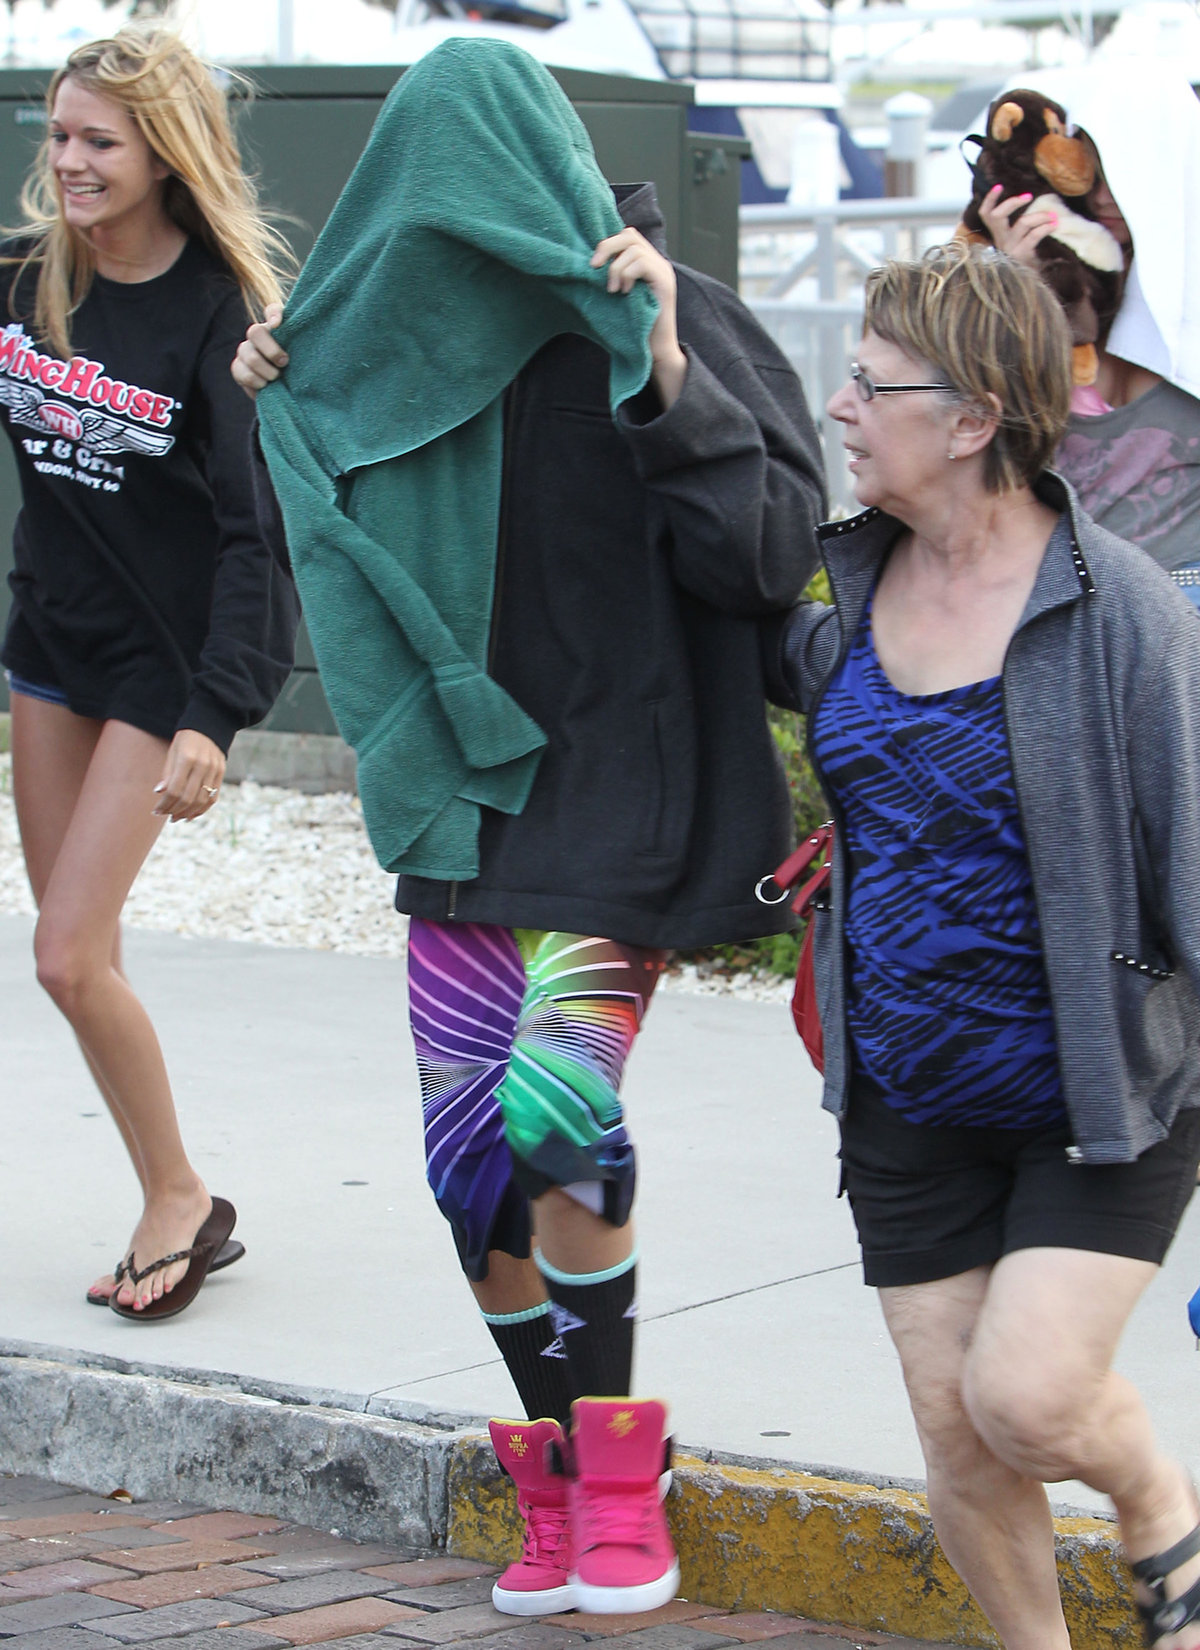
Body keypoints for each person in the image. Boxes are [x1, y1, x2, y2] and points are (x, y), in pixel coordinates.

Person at [232, 37, 824, 1620]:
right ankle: (554, 1474)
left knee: (560, 1116)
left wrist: (670, 369)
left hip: (626, 799)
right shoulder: (389, 342)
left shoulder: (675, 303)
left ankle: (625, 1480)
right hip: (466, 802)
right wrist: (293, 400)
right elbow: (325, 550)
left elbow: (769, 559)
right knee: (465, 1171)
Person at [764, 242, 1200, 1650]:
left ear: (968, 421)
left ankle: (1161, 1513)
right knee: (960, 1440)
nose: (840, 406)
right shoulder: (851, 592)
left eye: (868, 383)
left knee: (1031, 1398)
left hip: (1098, 1088)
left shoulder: (1120, 607)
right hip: (907, 1090)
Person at [0, 25, 299, 1320]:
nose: (68, 160)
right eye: (59, 135)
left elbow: (256, 535)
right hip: (47, 649)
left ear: (162, 154)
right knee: (84, 953)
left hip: (156, 672)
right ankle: (172, 1185)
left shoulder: (218, 315)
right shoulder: (27, 282)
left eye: (97, 141)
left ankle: (179, 1195)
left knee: (65, 954)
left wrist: (217, 715)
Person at [969, 62, 1200, 603]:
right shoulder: (1052, 285)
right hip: (1068, 601)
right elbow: (983, 437)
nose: (1101, 198)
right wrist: (1013, 287)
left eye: (1124, 173)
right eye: (1089, 175)